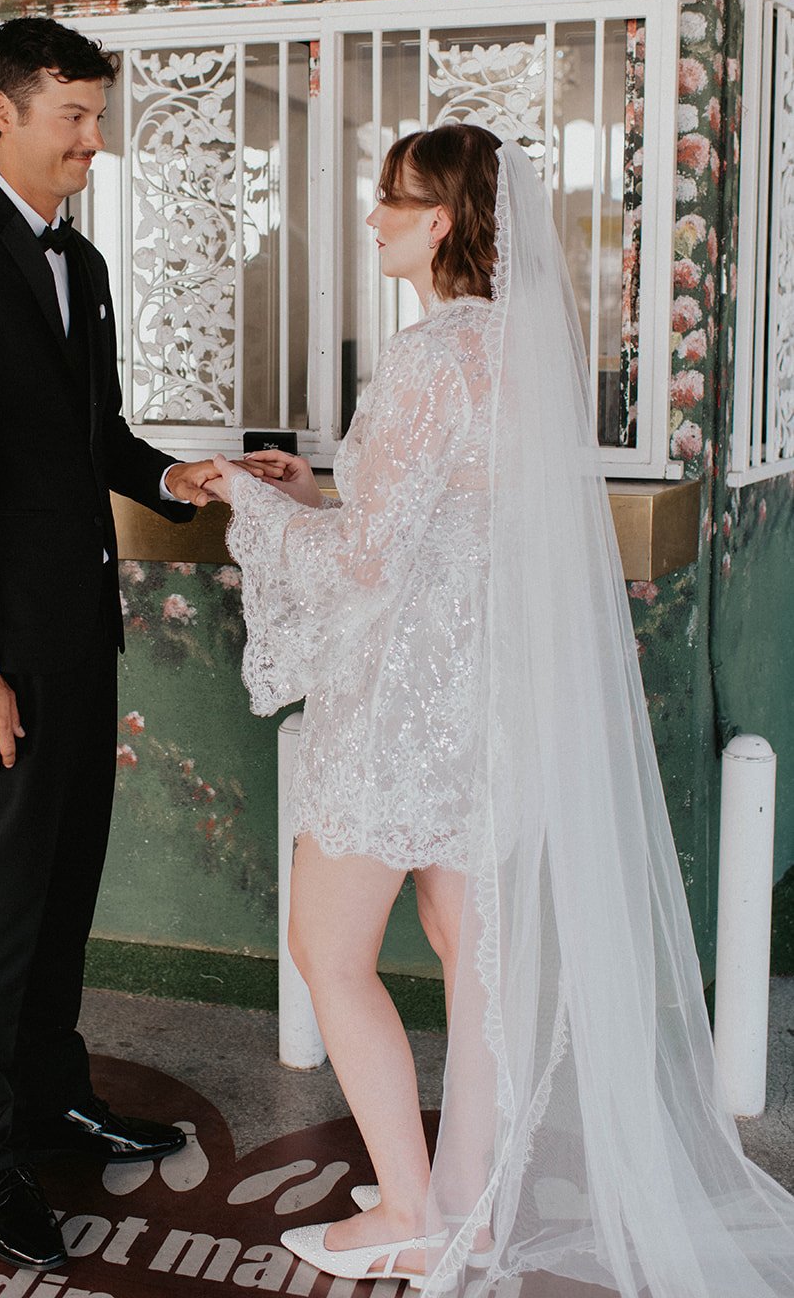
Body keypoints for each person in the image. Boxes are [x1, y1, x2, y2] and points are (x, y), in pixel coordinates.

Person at [206, 125, 794, 1297]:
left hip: (402, 704)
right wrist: (316, 488)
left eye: (391, 198)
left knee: (328, 948)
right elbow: (443, 520)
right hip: (488, 702)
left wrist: (242, 497)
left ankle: (412, 1211)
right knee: (470, 949)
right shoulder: (526, 351)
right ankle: (467, 1192)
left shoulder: (430, 360)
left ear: (439, 221)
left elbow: (373, 563)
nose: (372, 215)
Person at [0, 17, 218, 1274]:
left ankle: (50, 1094)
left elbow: (100, 439)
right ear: (0, 114)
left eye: (97, 115)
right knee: (0, 906)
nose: (95, 139)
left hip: (83, 638)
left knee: (65, 885)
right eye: (72, 116)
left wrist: (178, 475)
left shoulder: (80, 264)